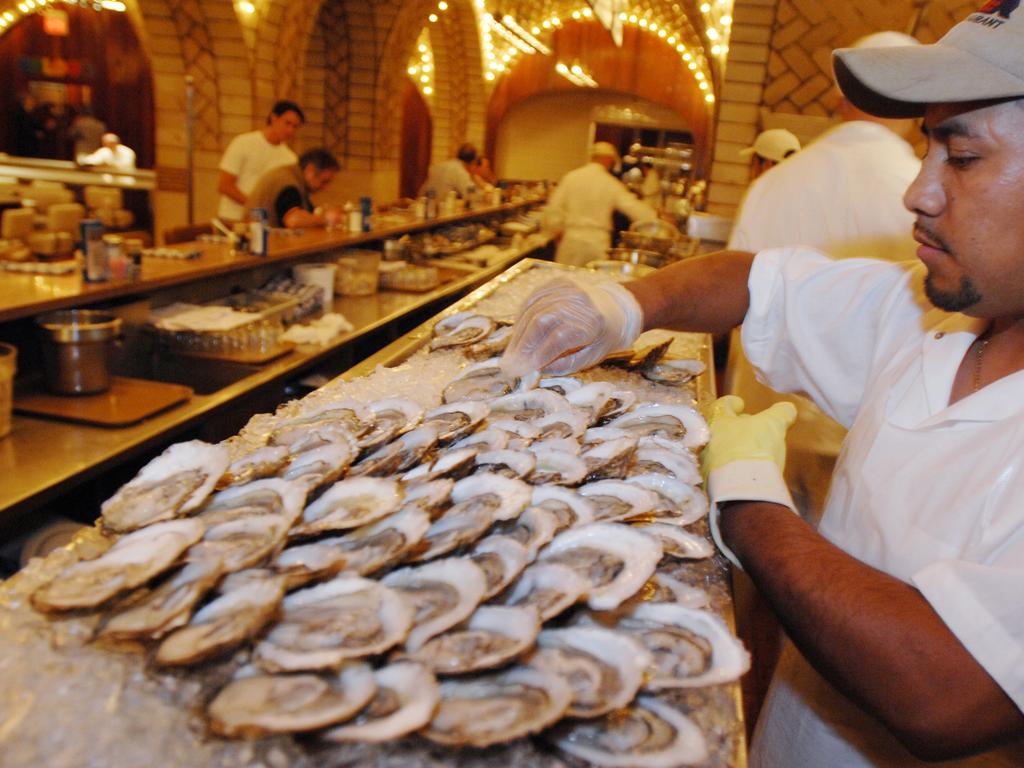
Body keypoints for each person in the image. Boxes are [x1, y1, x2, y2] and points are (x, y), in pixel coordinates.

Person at [500, 6, 1024, 765]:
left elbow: (948, 691)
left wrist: (747, 502)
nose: (919, 193)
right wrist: (625, 306)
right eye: (927, 153)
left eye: (963, 158)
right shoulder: (926, 317)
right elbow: (756, 279)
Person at [725, 31, 923, 524]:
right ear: (918, 108)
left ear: (839, 100)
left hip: (764, 419)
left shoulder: (774, 183)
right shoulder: (923, 185)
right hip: (867, 429)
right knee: (836, 571)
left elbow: (734, 294)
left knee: (752, 554)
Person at [541, 141, 658, 267]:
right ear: (608, 160)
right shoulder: (609, 182)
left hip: (572, 239)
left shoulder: (571, 177)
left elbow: (554, 208)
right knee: (593, 283)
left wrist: (554, 230)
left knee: (564, 280)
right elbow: (633, 208)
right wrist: (655, 220)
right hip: (597, 242)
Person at [217, 100, 304, 221]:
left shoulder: (290, 159)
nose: (290, 130)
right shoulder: (243, 142)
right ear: (274, 118)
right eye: (287, 123)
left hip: (263, 223)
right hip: (232, 218)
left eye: (295, 127)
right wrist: (254, 206)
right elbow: (224, 185)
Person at [246, 148, 340, 228]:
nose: (325, 187)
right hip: (265, 244)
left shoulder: (295, 179)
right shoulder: (287, 183)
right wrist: (326, 218)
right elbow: (293, 220)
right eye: (324, 181)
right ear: (309, 170)